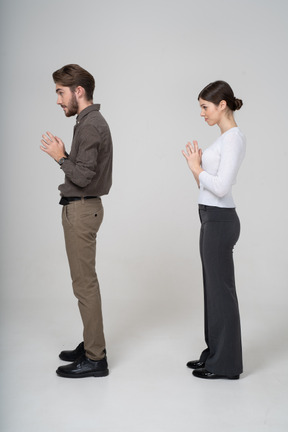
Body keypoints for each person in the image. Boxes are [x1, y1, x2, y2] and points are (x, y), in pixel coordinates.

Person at [40, 64, 113, 378]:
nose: (58, 100)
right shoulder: (87, 121)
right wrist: (66, 156)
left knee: (84, 286)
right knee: (84, 284)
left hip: (82, 210)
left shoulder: (89, 125)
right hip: (82, 208)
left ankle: (96, 359)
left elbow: (82, 176)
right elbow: (85, 168)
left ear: (78, 91)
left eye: (60, 92)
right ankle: (91, 343)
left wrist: (59, 156)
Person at [182, 80, 246, 380]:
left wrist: (197, 168)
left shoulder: (233, 138)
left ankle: (226, 365)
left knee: (221, 293)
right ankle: (214, 354)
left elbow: (221, 187)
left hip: (220, 220)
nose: (202, 113)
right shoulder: (223, 138)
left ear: (222, 105)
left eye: (205, 107)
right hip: (211, 216)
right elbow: (208, 187)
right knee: (213, 291)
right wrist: (197, 171)